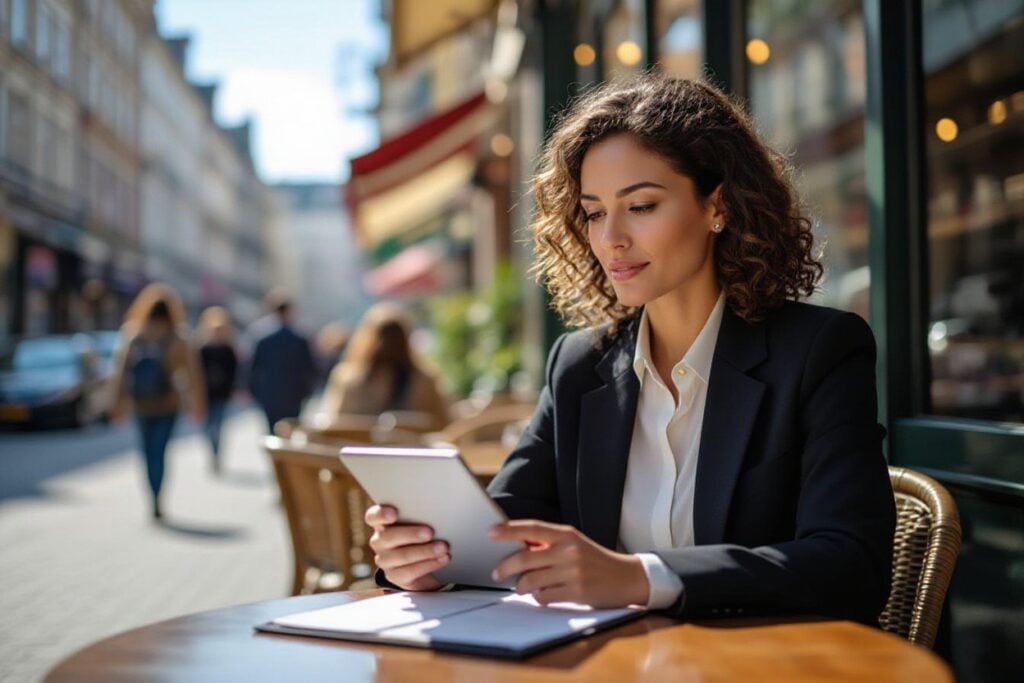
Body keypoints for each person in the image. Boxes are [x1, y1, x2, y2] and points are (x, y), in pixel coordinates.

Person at [365, 74, 896, 624]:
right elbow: (504, 530)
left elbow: (851, 565)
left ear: (718, 206)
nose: (610, 238)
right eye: (594, 212)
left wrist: (640, 577)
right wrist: (429, 558)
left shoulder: (817, 351)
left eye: (640, 205)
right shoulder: (578, 366)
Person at [110, 283, 205, 520]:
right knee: (160, 452)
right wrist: (197, 405)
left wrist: (116, 405)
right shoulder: (179, 336)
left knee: (146, 452)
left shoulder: (133, 334)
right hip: (168, 404)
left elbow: (120, 373)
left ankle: (152, 494)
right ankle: (157, 497)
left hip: (140, 404)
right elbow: (193, 375)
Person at [320, 303, 450, 429]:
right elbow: (443, 423)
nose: (387, 345)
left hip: (362, 449)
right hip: (405, 449)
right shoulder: (424, 380)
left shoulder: (347, 378)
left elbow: (332, 423)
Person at [247, 290, 316, 434]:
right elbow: (310, 369)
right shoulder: (299, 338)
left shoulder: (262, 338)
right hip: (293, 395)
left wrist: (255, 392)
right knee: (291, 433)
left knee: (272, 434)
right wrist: (306, 393)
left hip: (269, 394)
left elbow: (252, 368)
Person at [196, 306, 238, 473]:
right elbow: (196, 372)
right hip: (205, 394)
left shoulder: (228, 349)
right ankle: (212, 452)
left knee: (218, 426)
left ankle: (216, 454)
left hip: (221, 394)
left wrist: (232, 389)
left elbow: (234, 372)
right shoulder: (202, 348)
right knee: (207, 427)